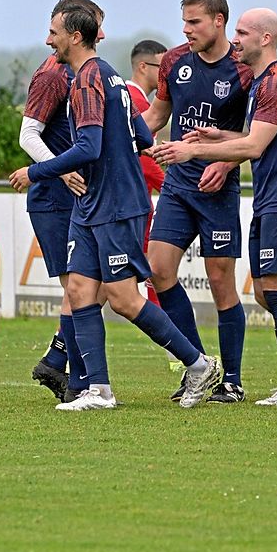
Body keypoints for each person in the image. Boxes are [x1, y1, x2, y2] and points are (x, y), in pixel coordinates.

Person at [10, 2, 222, 411]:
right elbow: (140, 131)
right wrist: (151, 151)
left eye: (53, 32)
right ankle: (98, 390)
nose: (47, 39)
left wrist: (37, 173)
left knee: (123, 298)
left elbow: (88, 146)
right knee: (79, 289)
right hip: (94, 202)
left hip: (115, 204)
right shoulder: (106, 76)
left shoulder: (89, 80)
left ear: (74, 36)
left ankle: (197, 365)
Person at [154, 7, 277, 406]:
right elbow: (251, 136)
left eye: (244, 33)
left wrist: (191, 149)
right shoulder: (263, 81)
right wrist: (216, 134)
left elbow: (253, 146)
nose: (236, 40)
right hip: (269, 197)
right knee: (267, 294)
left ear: (265, 39)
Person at [139, 0, 252, 404]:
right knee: (159, 269)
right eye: (184, 21)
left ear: (219, 21)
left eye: (195, 22)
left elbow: (256, 136)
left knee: (221, 280)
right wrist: (125, 139)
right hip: (178, 184)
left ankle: (233, 381)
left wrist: (224, 163)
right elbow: (156, 115)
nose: (186, 30)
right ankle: (198, 368)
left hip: (218, 188)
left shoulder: (243, 67)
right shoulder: (173, 61)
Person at [20, 0, 104, 404]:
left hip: (77, 196)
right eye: (96, 27)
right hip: (54, 198)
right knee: (80, 288)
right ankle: (79, 380)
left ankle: (61, 361)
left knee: (89, 286)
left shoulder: (83, 73)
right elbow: (28, 135)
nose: (101, 35)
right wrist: (59, 168)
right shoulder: (53, 75)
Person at [126, 39, 178, 370]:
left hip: (136, 205)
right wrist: (174, 188)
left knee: (98, 287)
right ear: (143, 67)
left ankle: (63, 354)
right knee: (147, 279)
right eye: (162, 69)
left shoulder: (141, 101)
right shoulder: (132, 99)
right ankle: (181, 349)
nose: (166, 77)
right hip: (132, 208)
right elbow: (144, 161)